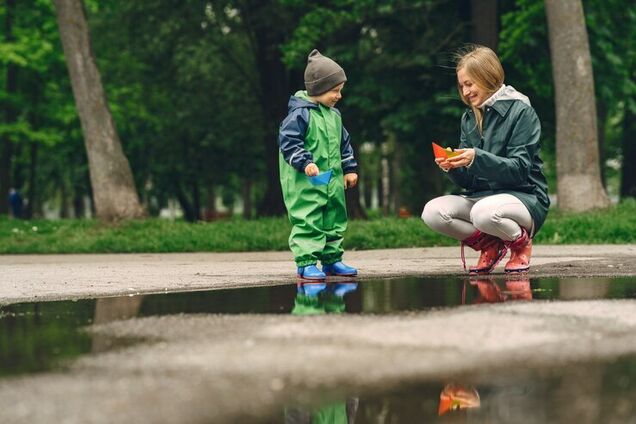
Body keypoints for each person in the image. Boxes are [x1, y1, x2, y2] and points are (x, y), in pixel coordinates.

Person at [422, 45, 550, 274]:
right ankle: (490, 245)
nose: (465, 91)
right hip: (482, 199)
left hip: (525, 197)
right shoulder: (469, 118)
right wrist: (452, 166)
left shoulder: (521, 112)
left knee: (483, 213)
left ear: (487, 76)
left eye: (469, 84)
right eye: (461, 86)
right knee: (432, 212)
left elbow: (519, 169)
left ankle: (520, 244)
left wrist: (476, 158)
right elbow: (469, 183)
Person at [278, 49, 359, 280]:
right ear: (318, 88)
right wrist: (304, 162)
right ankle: (306, 262)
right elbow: (289, 142)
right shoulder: (299, 114)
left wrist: (349, 168)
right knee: (309, 218)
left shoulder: (334, 115)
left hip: (331, 181)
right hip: (306, 182)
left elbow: (344, 143)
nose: (339, 96)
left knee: (333, 216)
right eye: (335, 90)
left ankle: (332, 259)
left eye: (340, 90)